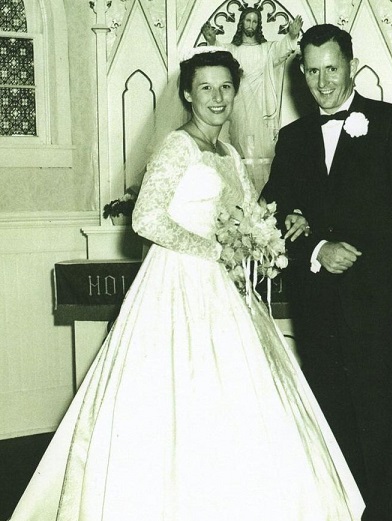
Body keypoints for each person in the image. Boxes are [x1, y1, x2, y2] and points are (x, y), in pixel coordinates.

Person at [10, 48, 364, 520]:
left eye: (225, 87)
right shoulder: (178, 146)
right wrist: (214, 251)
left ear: (235, 92)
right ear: (186, 94)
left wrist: (268, 230)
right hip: (176, 285)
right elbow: (146, 218)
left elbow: (247, 215)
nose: (217, 98)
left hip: (228, 289)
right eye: (205, 88)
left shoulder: (230, 153)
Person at [260, 24, 392, 520]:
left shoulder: (391, 122)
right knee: (331, 420)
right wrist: (315, 248)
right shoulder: (291, 139)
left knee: (383, 422)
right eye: (312, 71)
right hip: (318, 307)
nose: (323, 82)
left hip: (378, 302)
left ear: (351, 65)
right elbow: (272, 211)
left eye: (331, 68)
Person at [202, 9, 303, 160]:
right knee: (239, 147)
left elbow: (282, 49)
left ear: (258, 25)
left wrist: (292, 35)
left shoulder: (266, 49)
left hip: (262, 101)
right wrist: (212, 41)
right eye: (248, 20)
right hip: (239, 104)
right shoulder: (232, 50)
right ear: (242, 22)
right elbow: (219, 55)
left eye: (254, 21)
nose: (251, 24)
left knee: (262, 150)